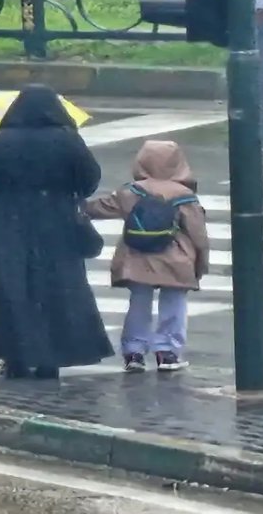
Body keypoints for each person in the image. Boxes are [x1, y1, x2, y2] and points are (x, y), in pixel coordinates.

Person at [0, 85, 114, 379]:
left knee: (9, 290)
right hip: (56, 222)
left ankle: (15, 357)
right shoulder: (68, 141)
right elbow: (89, 181)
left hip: (4, 223)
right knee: (56, 288)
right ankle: (51, 359)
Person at [85, 140, 209, 373]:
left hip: (137, 256)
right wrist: (201, 263)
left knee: (139, 303)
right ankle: (167, 351)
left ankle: (134, 351)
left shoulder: (130, 191)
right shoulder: (185, 195)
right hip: (176, 258)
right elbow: (198, 234)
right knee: (174, 303)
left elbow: (99, 208)